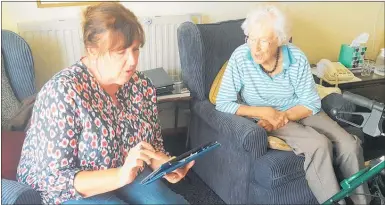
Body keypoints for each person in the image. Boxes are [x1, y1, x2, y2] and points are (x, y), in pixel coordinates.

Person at [16, 2, 194, 204]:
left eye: (135, 49)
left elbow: (151, 147)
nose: (132, 61)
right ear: (92, 50)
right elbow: (53, 179)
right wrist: (119, 175)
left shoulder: (142, 85)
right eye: (121, 52)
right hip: (71, 188)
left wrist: (165, 165)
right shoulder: (62, 92)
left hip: (125, 173)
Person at [215, 5, 370, 205]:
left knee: (349, 145)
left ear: (280, 40)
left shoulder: (296, 57)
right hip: (267, 114)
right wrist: (265, 112)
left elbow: (311, 103)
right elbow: (223, 102)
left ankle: (363, 202)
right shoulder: (239, 58)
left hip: (301, 109)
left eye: (263, 40)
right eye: (251, 39)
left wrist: (283, 117)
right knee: (318, 144)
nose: (256, 48)